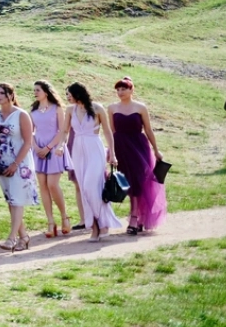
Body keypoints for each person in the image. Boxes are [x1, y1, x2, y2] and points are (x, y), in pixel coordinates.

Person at [107, 77, 166, 235]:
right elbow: (112, 132)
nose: (120, 92)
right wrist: (111, 151)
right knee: (128, 182)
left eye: (123, 89)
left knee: (140, 181)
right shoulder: (112, 108)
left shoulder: (141, 107)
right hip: (121, 147)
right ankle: (135, 217)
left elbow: (148, 130)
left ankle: (136, 217)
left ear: (131, 90)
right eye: (118, 90)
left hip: (139, 147)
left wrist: (156, 150)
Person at [64, 82, 121, 242]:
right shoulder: (69, 110)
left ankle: (103, 223)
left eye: (69, 94)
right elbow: (64, 131)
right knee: (83, 189)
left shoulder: (97, 108)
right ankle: (94, 226)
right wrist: (61, 146)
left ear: (78, 94)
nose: (67, 97)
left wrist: (113, 154)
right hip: (78, 151)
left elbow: (108, 132)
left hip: (95, 148)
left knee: (91, 187)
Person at [0, 83, 39, 250]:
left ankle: (11, 238)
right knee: (11, 201)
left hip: (20, 162)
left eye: (2, 93)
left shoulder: (21, 115)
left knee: (17, 199)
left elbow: (27, 142)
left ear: (11, 95)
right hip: (2, 162)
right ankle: (24, 236)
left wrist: (15, 164)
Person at [31, 80, 72, 237]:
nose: (35, 92)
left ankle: (64, 217)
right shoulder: (33, 111)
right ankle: (50, 222)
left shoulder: (57, 108)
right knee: (42, 185)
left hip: (54, 149)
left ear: (46, 92)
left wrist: (49, 147)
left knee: (52, 184)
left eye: (38, 90)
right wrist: (35, 147)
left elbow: (62, 131)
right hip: (38, 149)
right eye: (34, 90)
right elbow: (30, 131)